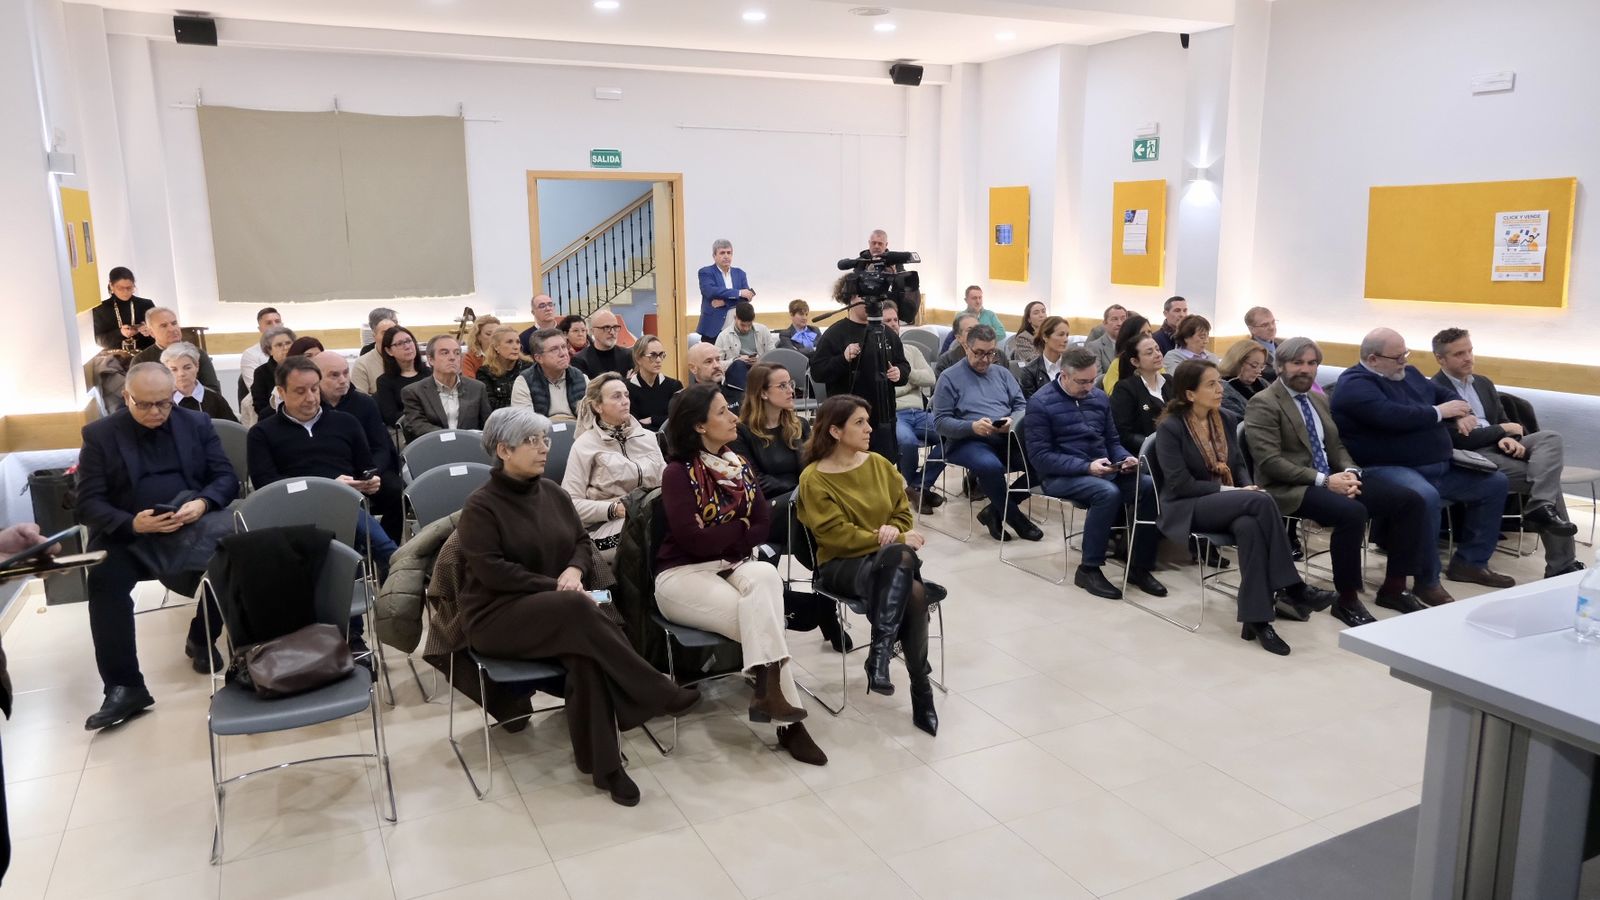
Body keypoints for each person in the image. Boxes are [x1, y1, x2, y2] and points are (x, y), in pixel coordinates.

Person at [456, 407, 701, 806]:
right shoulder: (481, 506)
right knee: (580, 610)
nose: (542, 449)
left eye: (545, 440)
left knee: (585, 657)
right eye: (531, 442)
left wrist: (573, 569)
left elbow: (582, 543)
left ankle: (606, 768)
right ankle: (654, 688)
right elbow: (493, 573)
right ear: (503, 449)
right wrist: (557, 585)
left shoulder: (552, 492)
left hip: (561, 609)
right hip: (498, 615)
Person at [654, 384, 827, 766]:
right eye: (722, 413)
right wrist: (740, 528)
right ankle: (787, 723)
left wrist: (727, 531)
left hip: (733, 565)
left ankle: (770, 695)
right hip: (682, 575)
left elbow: (764, 524)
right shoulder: (677, 474)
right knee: (767, 621)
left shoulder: (738, 464)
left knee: (765, 573)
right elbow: (693, 542)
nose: (734, 417)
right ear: (699, 426)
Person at [76, 363, 239, 728]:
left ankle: (202, 636)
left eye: (163, 404)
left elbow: (225, 477)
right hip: (129, 533)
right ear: (126, 397)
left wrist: (203, 503)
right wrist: (132, 522)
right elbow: (88, 503)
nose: (155, 413)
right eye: (145, 405)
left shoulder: (195, 424)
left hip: (191, 523)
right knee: (104, 582)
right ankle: (124, 686)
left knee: (238, 555)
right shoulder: (101, 434)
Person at [1153, 359, 1338, 656]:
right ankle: (1293, 587)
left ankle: (1257, 619)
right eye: (1211, 385)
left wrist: (1244, 486)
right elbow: (1179, 484)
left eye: (1218, 382)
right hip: (1188, 506)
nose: (1220, 389)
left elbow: (1239, 465)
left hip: (1233, 502)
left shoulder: (1225, 417)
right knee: (1260, 499)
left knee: (1250, 526)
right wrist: (1236, 491)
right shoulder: (1171, 428)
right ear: (1190, 394)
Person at [1246, 337, 1439, 619]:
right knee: (1352, 513)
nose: (1306, 369)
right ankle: (1347, 599)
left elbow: (1335, 446)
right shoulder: (1263, 403)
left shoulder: (1317, 398)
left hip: (1331, 477)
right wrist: (1325, 481)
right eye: (1297, 363)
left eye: (1312, 363)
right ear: (1280, 366)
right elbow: (1271, 463)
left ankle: (1394, 589)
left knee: (1410, 501)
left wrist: (1349, 472)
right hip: (1290, 487)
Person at [798, 395, 940, 735]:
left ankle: (881, 659)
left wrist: (894, 534)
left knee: (910, 584)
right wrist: (884, 536)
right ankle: (919, 687)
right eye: (859, 422)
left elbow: (903, 514)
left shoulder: (878, 463)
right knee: (909, 578)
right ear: (835, 430)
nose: (868, 428)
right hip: (841, 566)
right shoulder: (814, 478)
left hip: (887, 561)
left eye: (868, 420)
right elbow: (835, 536)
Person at [1331, 328, 1515, 590]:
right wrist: (1439, 412)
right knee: (1425, 497)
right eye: (1397, 357)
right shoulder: (1354, 385)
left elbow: (1445, 394)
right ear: (1373, 359)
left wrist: (1460, 412)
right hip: (1386, 468)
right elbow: (1394, 416)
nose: (1404, 361)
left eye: (1405, 353)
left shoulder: (1411, 374)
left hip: (1438, 465)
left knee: (1494, 483)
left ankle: (1471, 563)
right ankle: (1427, 580)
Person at [247, 355, 398, 650]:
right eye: (300, 391)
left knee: (351, 537)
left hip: (344, 508)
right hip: (291, 515)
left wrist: (370, 481)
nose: (310, 397)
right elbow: (267, 485)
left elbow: (364, 464)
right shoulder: (263, 433)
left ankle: (357, 633)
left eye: (314, 389)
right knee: (354, 544)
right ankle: (354, 632)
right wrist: (328, 486)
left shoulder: (345, 422)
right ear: (281, 392)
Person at [1431, 327, 1580, 576]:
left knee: (1550, 438)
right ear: (1440, 359)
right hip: (1473, 456)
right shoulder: (1434, 390)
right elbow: (1460, 440)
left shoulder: (1483, 383)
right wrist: (1502, 431)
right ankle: (1561, 564)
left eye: (1470, 351)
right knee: (1547, 482)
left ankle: (1539, 507)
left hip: (1498, 446)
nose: (1468, 358)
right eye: (1459, 354)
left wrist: (1510, 437)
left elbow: (1506, 421)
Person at [1026, 349, 1168, 599]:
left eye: (1093, 380)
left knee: (1147, 486)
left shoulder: (1099, 398)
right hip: (1059, 476)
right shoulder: (1041, 403)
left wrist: (1124, 458)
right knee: (1107, 493)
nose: (1089, 387)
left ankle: (1139, 566)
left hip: (1100, 469)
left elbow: (1112, 441)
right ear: (1064, 376)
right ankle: (1089, 568)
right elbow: (1040, 458)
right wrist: (1086, 467)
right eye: (1082, 382)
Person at [932, 325, 1041, 542]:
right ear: (966, 347)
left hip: (1003, 436)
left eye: (991, 353)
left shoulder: (1002, 373)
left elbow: (1021, 405)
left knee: (1043, 462)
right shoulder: (949, 377)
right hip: (966, 440)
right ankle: (1015, 518)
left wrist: (1012, 421)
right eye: (979, 353)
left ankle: (994, 511)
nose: (985, 359)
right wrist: (971, 426)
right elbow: (940, 423)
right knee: (990, 466)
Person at [562, 374, 665, 561]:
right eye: (617, 396)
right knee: (653, 537)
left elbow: (667, 483)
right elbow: (570, 504)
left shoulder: (648, 438)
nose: (625, 401)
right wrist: (615, 509)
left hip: (649, 517)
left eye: (626, 395)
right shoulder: (585, 445)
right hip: (603, 527)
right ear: (597, 406)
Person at [810, 279, 911, 458]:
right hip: (848, 420)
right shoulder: (835, 334)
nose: (871, 302)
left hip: (884, 417)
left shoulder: (886, 332)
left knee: (884, 467)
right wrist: (843, 359)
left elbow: (903, 364)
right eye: (863, 296)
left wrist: (899, 373)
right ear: (850, 299)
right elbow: (818, 372)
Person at [316, 351, 405, 543]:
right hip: (332, 474)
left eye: (345, 373)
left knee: (396, 491)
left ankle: (389, 549)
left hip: (367, 468)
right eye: (334, 375)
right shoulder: (312, 407)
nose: (343, 380)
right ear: (317, 378)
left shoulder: (364, 403)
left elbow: (381, 447)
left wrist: (370, 474)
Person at [882, 303, 944, 514]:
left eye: (895, 320)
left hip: (920, 412)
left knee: (953, 436)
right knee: (907, 442)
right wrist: (910, 385)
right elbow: (884, 392)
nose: (892, 325)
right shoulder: (876, 354)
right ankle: (912, 489)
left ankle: (917, 485)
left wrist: (905, 375)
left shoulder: (911, 350)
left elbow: (929, 378)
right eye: (886, 321)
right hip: (896, 414)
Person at [399, 335, 493, 439]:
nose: (452, 357)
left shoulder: (477, 388)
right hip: (433, 448)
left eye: (457, 353)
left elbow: (487, 426)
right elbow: (417, 426)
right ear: (430, 360)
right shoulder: (414, 392)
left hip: (469, 449)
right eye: (445, 353)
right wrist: (452, 437)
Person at [132, 308, 221, 394]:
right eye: (164, 326)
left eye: (174, 323)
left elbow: (213, 390)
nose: (172, 329)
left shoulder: (197, 353)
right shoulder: (142, 361)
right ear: (151, 332)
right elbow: (137, 395)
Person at [1110, 334, 1170, 455]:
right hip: (1146, 453)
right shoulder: (1125, 389)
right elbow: (1124, 434)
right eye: (1149, 353)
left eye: (1157, 349)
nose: (1158, 354)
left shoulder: (1169, 381)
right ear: (1135, 361)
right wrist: (1154, 444)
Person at [511, 328, 589, 419]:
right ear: (539, 358)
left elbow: (592, 417)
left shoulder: (581, 378)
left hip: (578, 431)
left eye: (564, 347)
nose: (563, 353)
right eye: (554, 350)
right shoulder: (524, 382)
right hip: (542, 431)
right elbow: (525, 422)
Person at [161, 342, 238, 423]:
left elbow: (232, 430)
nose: (181, 374)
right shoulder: (161, 402)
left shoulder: (215, 399)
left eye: (187, 368)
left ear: (197, 366)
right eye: (174, 369)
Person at [696, 238, 755, 342]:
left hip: (736, 328)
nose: (726, 256)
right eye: (722, 253)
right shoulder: (705, 272)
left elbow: (746, 299)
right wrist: (739, 293)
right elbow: (710, 291)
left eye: (729, 253)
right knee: (711, 357)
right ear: (714, 256)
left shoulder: (740, 273)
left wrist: (725, 302)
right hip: (713, 329)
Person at [375, 326, 432, 427]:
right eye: (400, 343)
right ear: (389, 351)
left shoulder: (430, 373)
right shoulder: (385, 381)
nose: (407, 346)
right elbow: (391, 417)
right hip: (406, 431)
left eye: (409, 341)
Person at [91, 266, 155, 352]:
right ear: (111, 286)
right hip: (115, 360)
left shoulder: (146, 304)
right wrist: (120, 333)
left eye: (129, 288)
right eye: (120, 288)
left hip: (145, 356)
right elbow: (99, 340)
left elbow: (160, 334)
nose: (126, 292)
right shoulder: (100, 309)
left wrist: (151, 332)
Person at [624, 336, 681, 431]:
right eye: (653, 356)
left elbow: (679, 419)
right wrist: (664, 419)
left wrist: (653, 419)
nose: (659, 360)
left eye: (661, 355)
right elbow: (631, 423)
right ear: (638, 359)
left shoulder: (674, 386)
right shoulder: (626, 388)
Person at [935, 312, 1011, 377]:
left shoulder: (999, 355)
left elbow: (1011, 387)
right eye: (970, 330)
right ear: (959, 338)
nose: (976, 333)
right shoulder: (947, 360)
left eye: (978, 328)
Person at [476, 325, 533, 412]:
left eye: (518, 342)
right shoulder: (485, 372)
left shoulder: (529, 367)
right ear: (496, 347)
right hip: (500, 420)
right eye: (509, 342)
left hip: (529, 417)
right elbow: (490, 405)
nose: (515, 347)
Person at [248, 325, 297, 420]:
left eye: (288, 343)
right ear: (269, 350)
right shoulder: (261, 373)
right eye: (279, 345)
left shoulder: (303, 368)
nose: (286, 348)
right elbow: (260, 408)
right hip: (274, 419)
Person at [1100, 312, 1155, 396]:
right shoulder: (1118, 363)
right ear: (1131, 336)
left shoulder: (1155, 359)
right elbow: (1114, 396)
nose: (1148, 336)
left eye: (1149, 332)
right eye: (1143, 333)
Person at [1017, 315, 1071, 398]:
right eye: (1061, 335)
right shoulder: (1029, 371)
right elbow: (1031, 405)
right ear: (1045, 337)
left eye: (1067, 335)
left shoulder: (1073, 366)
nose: (1066, 339)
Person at [236, 306, 282, 400]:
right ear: (260, 328)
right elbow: (256, 391)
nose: (274, 326)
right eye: (269, 323)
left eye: (277, 321)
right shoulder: (250, 354)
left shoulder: (293, 349)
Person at [1217, 340, 1270, 420]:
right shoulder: (1222, 388)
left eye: (1261, 367)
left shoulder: (1262, 382)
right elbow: (1240, 420)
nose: (1258, 371)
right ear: (1237, 362)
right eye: (1254, 365)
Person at [572, 309, 631, 378]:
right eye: (606, 327)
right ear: (592, 331)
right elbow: (588, 388)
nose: (612, 332)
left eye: (615, 327)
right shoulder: (580, 360)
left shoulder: (628, 355)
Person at [715, 301, 777, 367]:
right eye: (743, 325)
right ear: (735, 318)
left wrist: (761, 361)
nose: (746, 328)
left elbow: (773, 356)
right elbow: (717, 363)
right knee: (739, 365)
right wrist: (735, 360)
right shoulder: (723, 336)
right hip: (737, 369)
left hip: (760, 368)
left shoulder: (763, 330)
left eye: (749, 325)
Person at [350, 309, 397, 395]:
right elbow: (360, 400)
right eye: (385, 332)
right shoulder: (362, 364)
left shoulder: (406, 356)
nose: (391, 335)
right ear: (374, 334)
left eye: (396, 323)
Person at [685, 340, 741, 413]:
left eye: (718, 360)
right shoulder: (685, 400)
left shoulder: (738, 394)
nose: (716, 365)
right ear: (693, 368)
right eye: (708, 362)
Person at [1083, 304, 1127, 374]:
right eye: (1114, 319)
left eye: (1123, 319)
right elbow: (1095, 378)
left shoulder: (1134, 344)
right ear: (1105, 323)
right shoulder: (1094, 347)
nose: (1120, 323)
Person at [1243, 306, 1280, 383]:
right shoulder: (1248, 352)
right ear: (1252, 329)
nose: (1272, 327)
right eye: (1265, 325)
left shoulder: (1284, 345)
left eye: (1273, 322)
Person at [460, 314, 501, 379]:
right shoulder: (470, 359)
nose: (493, 337)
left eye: (497, 334)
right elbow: (470, 384)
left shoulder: (506, 355)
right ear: (478, 336)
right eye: (488, 334)